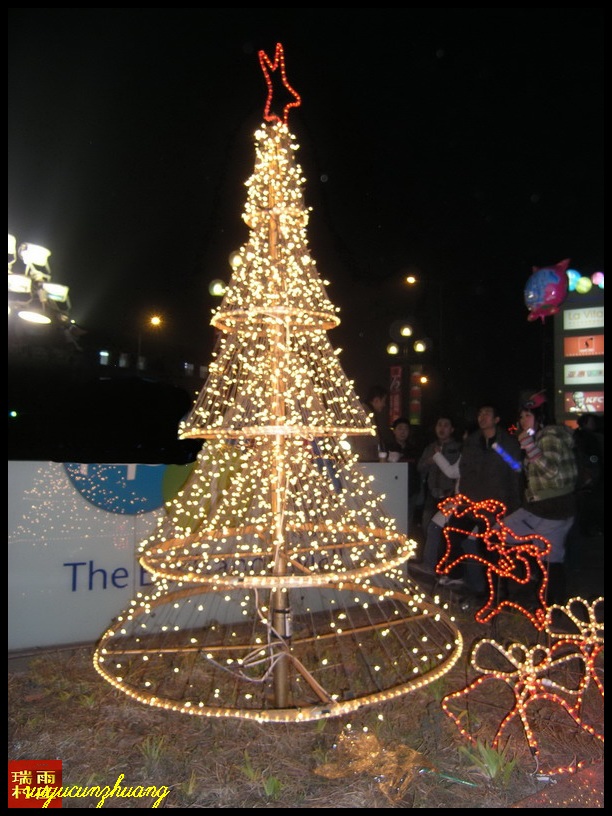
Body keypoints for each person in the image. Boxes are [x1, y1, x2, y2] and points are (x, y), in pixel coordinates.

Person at [409, 402, 522, 595]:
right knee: (452, 533)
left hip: (496, 505)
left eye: (487, 413)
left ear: (496, 419)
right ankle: (457, 575)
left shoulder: (507, 443)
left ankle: (497, 594)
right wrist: (463, 501)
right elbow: (463, 473)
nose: (482, 416)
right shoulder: (472, 443)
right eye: (480, 413)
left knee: (490, 549)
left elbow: (515, 470)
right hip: (470, 503)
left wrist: (512, 505)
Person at [501, 393, 579, 605]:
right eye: (521, 417)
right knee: (550, 561)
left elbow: (551, 472)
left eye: (527, 416)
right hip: (551, 509)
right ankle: (552, 607)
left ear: (539, 416)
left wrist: (529, 446)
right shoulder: (545, 436)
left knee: (499, 536)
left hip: (548, 510)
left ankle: (521, 596)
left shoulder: (549, 435)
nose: (522, 421)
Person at [416, 414, 462, 534]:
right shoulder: (430, 447)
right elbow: (420, 468)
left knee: (446, 531)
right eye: (439, 425)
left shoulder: (458, 448)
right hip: (432, 495)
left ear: (452, 429)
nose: (442, 428)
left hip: (449, 495)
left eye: (446, 425)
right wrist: (428, 462)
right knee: (427, 527)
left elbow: (457, 472)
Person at [388, 416, 424, 533]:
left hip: (411, 490)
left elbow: (418, 468)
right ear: (394, 431)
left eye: (406, 429)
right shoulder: (387, 448)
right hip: (393, 490)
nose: (403, 432)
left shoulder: (414, 449)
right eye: (400, 428)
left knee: (407, 520)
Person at [352, 385, 395, 462]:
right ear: (376, 400)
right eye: (384, 401)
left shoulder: (363, 411)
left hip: (362, 458)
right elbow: (370, 441)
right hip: (365, 459)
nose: (384, 405)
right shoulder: (365, 413)